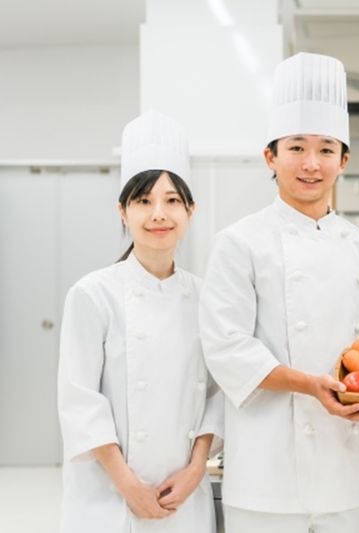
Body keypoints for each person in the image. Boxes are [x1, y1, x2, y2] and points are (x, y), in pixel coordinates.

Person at [199, 52, 359, 533]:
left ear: (344, 160)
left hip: (345, 462)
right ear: (271, 156)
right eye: (297, 147)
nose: (311, 164)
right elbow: (226, 347)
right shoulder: (239, 242)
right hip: (267, 469)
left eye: (326, 149)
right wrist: (308, 384)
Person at [57, 110, 224, 533]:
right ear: (123, 211)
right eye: (143, 201)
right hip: (108, 498)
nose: (158, 214)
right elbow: (80, 402)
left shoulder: (207, 298)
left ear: (191, 210)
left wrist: (196, 470)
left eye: (172, 201)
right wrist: (129, 486)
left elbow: (218, 394)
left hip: (184, 496)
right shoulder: (92, 294)